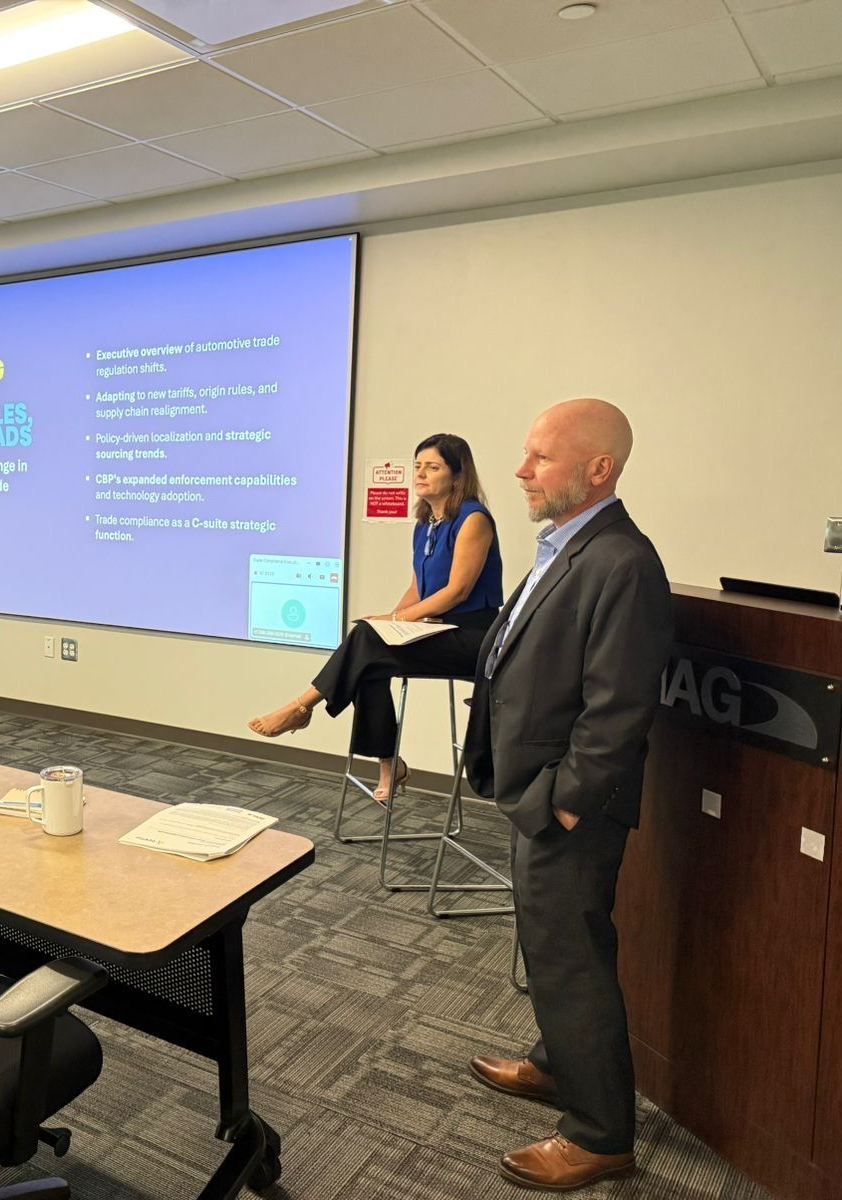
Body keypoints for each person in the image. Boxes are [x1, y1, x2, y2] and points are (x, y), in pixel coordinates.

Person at [461, 398, 672, 1191]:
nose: (520, 470)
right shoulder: (567, 545)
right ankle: (557, 1065)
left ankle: (598, 1134)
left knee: (572, 959)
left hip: (567, 807)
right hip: (538, 794)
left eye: (541, 457)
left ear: (599, 469)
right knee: (550, 947)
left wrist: (566, 802)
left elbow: (619, 706)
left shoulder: (623, 562)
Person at [248, 433, 504, 801]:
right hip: (439, 630)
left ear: (457, 476)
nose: (420, 474)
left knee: (368, 644)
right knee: (369, 654)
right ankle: (390, 764)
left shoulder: (473, 519)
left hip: (475, 637)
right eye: (418, 466)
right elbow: (418, 588)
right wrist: (389, 621)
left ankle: (301, 706)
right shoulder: (425, 524)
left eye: (433, 467)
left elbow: (457, 592)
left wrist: (397, 618)